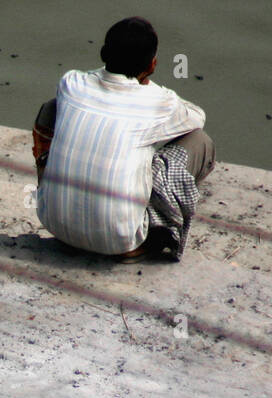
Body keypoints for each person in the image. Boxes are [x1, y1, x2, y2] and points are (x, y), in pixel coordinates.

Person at [33, 17, 214, 262]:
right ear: (152, 64)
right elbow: (197, 118)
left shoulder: (71, 83)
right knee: (200, 143)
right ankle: (146, 235)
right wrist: (147, 85)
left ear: (103, 53)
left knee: (51, 109)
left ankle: (61, 202)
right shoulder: (159, 101)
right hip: (119, 240)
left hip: (55, 224)